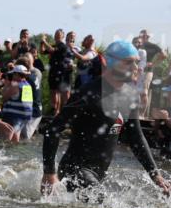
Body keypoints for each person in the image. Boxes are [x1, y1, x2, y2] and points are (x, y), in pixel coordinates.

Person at [41, 40, 170, 199]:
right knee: (101, 203)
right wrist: (49, 174)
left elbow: (136, 138)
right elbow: (52, 130)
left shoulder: (130, 96)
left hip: (99, 173)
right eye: (128, 62)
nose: (136, 68)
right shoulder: (88, 93)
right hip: (74, 169)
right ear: (108, 62)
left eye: (136, 62)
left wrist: (155, 175)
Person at [0, 65, 35, 143]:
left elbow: (4, 98)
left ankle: (5, 152)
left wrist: (6, 84)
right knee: (16, 137)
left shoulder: (15, 86)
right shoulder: (28, 85)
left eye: (13, 74)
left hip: (13, 116)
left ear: (17, 75)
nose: (12, 76)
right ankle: (15, 152)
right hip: (23, 117)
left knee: (6, 139)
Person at [42, 29, 74, 113]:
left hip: (60, 73)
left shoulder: (62, 45)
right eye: (56, 33)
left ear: (63, 36)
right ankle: (54, 112)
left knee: (60, 93)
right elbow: (42, 51)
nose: (57, 35)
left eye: (59, 34)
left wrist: (44, 41)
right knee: (53, 91)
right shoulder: (53, 45)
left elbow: (52, 50)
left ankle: (62, 112)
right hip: (53, 72)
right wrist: (42, 42)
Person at [137, 29, 165, 119]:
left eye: (146, 36)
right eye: (143, 35)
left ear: (148, 37)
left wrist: (153, 63)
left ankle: (141, 114)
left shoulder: (153, 46)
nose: (145, 37)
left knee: (144, 92)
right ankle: (133, 113)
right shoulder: (136, 44)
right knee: (134, 92)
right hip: (135, 71)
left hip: (148, 71)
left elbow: (164, 55)